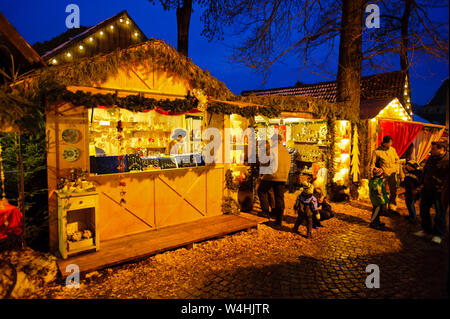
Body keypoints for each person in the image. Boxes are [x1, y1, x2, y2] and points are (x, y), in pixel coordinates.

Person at [414, 141, 449, 244]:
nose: (431, 150)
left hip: (440, 192)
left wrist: (444, 187)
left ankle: (438, 234)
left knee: (440, 213)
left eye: (433, 149)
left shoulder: (447, 161)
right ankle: (426, 230)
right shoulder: (431, 158)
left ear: (441, 149)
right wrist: (421, 184)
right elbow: (426, 172)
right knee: (423, 210)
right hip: (427, 189)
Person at [257, 134, 291, 226]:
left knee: (261, 191)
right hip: (283, 177)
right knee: (279, 197)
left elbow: (264, 163)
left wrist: (262, 175)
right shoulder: (286, 152)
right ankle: (279, 219)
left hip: (271, 175)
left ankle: (265, 211)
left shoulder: (271, 150)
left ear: (275, 141)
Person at [370, 135, 400, 214]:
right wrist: (373, 174)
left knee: (393, 191)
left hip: (392, 174)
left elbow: (397, 159)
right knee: (383, 192)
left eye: (391, 143)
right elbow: (372, 164)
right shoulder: (377, 152)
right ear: (385, 143)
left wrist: (396, 169)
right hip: (383, 174)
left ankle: (392, 206)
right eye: (389, 143)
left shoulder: (392, 150)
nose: (391, 144)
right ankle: (383, 208)